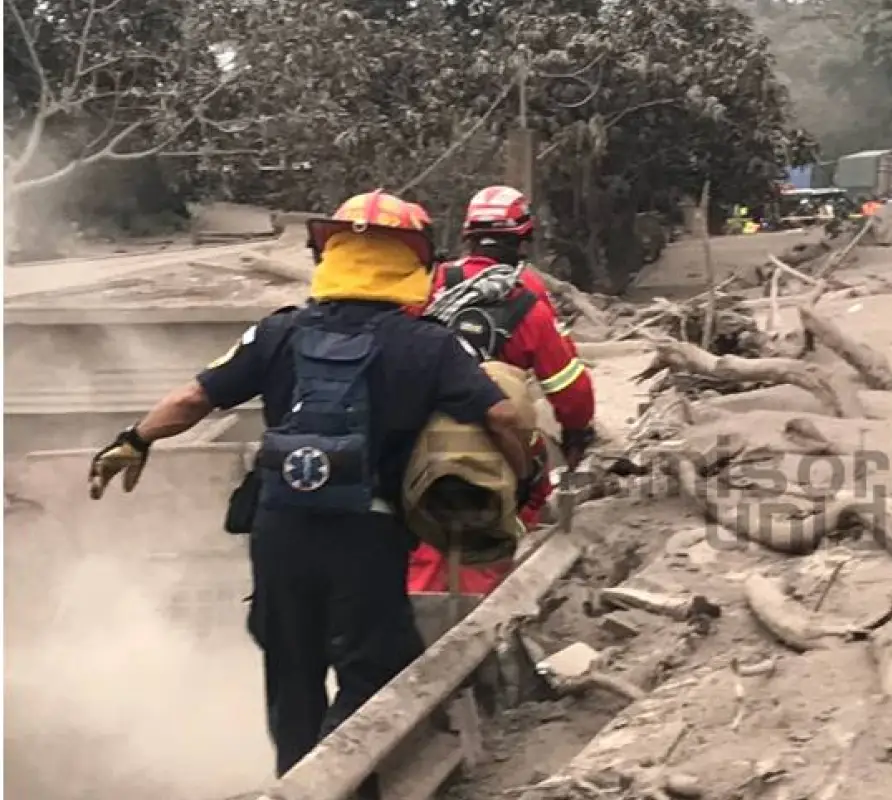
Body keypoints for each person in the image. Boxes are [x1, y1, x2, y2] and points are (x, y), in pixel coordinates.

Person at [86, 189, 531, 794]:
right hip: (367, 537)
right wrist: (523, 478)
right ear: (414, 264)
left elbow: (195, 397)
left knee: (291, 675)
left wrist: (133, 440)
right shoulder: (428, 344)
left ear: (331, 255)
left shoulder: (277, 333)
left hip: (279, 530)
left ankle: (296, 781)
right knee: (374, 667)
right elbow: (503, 417)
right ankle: (341, 782)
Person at [411, 185, 597, 595]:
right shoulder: (527, 297)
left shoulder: (430, 285)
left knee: (421, 523)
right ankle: (485, 602)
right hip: (499, 434)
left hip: (418, 433)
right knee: (518, 498)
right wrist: (577, 435)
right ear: (525, 240)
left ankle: (419, 608)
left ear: (467, 236)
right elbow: (570, 387)